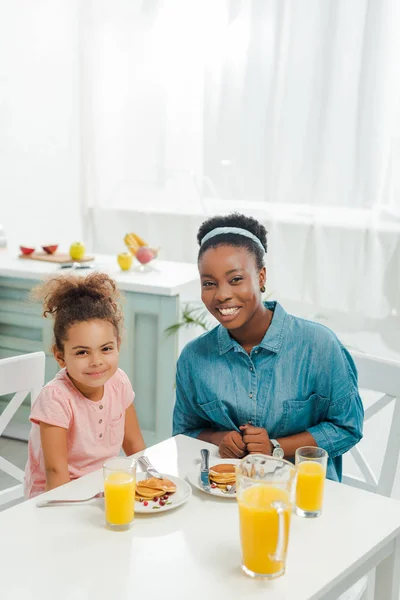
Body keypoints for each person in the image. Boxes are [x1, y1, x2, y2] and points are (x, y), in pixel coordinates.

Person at [173, 213, 363, 481]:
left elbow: (347, 427)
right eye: (209, 283)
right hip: (224, 497)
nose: (222, 294)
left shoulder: (319, 346)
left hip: (304, 501)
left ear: (261, 277)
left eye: (235, 279)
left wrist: (275, 447)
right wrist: (219, 439)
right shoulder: (194, 358)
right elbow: (184, 433)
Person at [24, 272, 145, 498]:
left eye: (106, 348)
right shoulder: (56, 398)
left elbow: (134, 446)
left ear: (118, 345)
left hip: (101, 489)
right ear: (60, 356)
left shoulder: (119, 382)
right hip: (55, 498)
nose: (96, 361)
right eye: (82, 352)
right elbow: (56, 472)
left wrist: (150, 486)